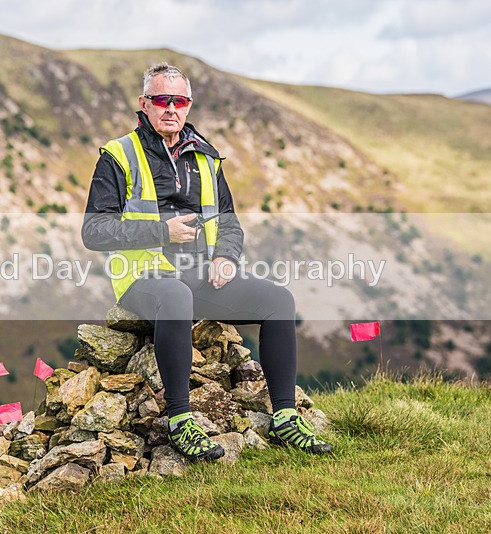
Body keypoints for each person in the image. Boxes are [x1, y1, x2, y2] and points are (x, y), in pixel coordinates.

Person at [82, 63, 332, 461]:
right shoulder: (119, 155)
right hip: (144, 281)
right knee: (177, 294)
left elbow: (230, 224)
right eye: (161, 100)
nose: (171, 108)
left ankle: (284, 416)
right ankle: (181, 420)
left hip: (202, 278)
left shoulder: (206, 158)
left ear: (188, 105)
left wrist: (226, 257)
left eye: (179, 101)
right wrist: (163, 231)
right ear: (144, 104)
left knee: (279, 300)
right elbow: (93, 232)